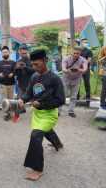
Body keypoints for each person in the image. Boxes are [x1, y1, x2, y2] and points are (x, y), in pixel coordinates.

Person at [18, 49, 65, 181]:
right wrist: (23, 99)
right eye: (32, 64)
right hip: (38, 113)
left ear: (45, 61)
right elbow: (28, 93)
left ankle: (37, 169)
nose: (34, 67)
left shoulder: (55, 79)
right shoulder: (34, 77)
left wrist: (42, 104)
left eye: (37, 64)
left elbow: (60, 100)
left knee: (36, 135)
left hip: (50, 114)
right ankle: (58, 143)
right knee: (46, 131)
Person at [61, 47, 88, 118]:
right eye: (74, 53)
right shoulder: (66, 59)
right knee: (63, 95)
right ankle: (58, 111)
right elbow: (63, 68)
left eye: (77, 53)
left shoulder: (83, 60)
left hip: (76, 79)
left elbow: (85, 69)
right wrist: (68, 70)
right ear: (71, 52)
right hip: (66, 79)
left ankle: (71, 111)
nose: (75, 55)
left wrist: (79, 69)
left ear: (80, 54)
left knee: (74, 96)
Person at [0, 46, 15, 120]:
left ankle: (11, 113)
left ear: (9, 53)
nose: (5, 53)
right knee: (4, 100)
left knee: (11, 99)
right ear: (2, 54)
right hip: (3, 84)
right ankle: (6, 114)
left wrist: (12, 74)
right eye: (3, 52)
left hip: (11, 84)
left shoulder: (13, 62)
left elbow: (15, 71)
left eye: (6, 52)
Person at [77, 38, 93, 107]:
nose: (85, 43)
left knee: (87, 84)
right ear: (80, 43)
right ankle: (76, 99)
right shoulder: (77, 51)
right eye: (83, 42)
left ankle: (88, 99)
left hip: (86, 70)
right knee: (77, 84)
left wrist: (82, 63)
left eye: (86, 42)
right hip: (78, 70)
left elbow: (89, 60)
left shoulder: (89, 51)